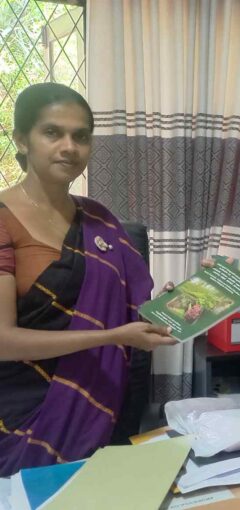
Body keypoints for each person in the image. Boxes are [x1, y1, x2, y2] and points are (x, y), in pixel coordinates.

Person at [0, 83, 175, 476]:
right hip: (21, 417)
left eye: (80, 136)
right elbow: (3, 341)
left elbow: (127, 306)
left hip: (101, 403)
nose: (69, 147)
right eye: (52, 132)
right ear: (22, 139)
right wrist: (111, 336)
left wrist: (169, 309)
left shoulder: (98, 220)